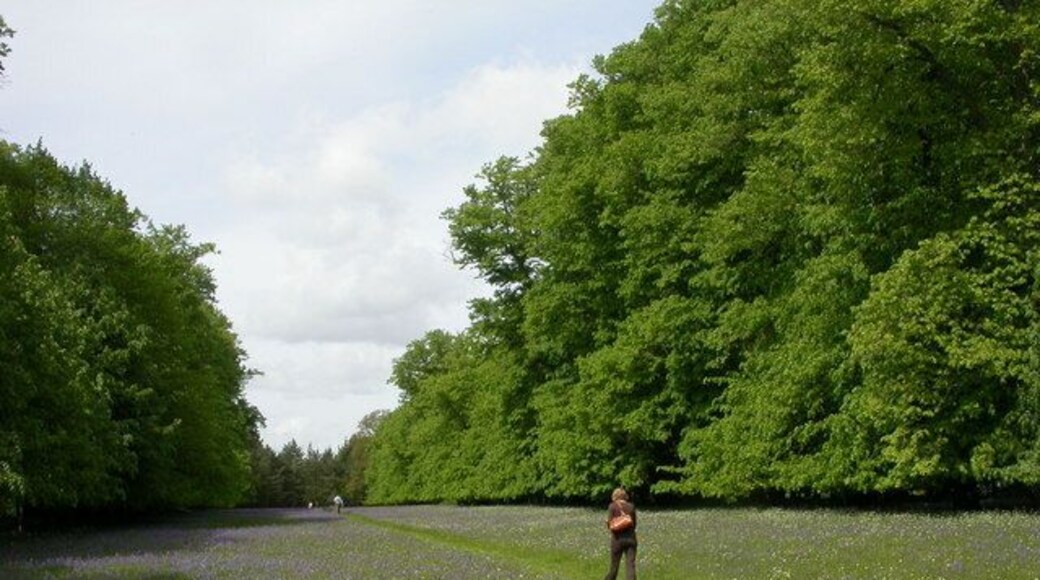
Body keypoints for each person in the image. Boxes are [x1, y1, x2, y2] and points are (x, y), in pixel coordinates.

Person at [604, 486, 637, 580]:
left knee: (614, 567)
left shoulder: (612, 506)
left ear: (615, 496)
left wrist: (607, 523)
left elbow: (611, 525)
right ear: (624, 496)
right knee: (631, 566)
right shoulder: (631, 506)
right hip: (631, 539)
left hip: (617, 540)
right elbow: (634, 524)